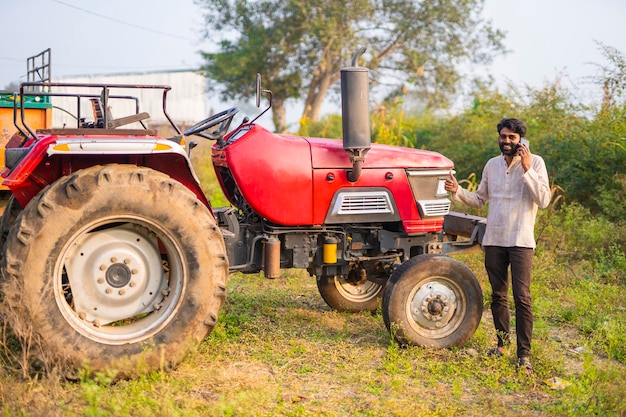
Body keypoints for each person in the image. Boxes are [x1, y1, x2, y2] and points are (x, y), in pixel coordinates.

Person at [444, 118, 551, 375]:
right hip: (494, 239)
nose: (506, 141)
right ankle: (502, 345)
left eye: (512, 138)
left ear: (521, 140)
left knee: (522, 297)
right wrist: (457, 191)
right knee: (498, 295)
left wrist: (527, 170)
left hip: (521, 240)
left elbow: (544, 200)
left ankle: (524, 355)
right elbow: (480, 199)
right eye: (503, 136)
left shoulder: (535, 163)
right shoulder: (492, 165)